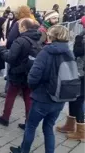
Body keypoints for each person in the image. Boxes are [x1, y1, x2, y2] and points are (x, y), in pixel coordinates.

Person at [10, 25, 73, 153]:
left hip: (43, 97)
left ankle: (24, 150)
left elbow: (33, 76)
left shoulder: (46, 52)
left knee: (31, 126)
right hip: (60, 97)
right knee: (48, 128)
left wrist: (34, 89)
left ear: (51, 36)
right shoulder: (69, 52)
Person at [0, 18, 41, 130]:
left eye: (19, 26)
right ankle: (28, 122)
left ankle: (5, 118)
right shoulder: (38, 39)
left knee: (10, 95)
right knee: (28, 98)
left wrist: (2, 48)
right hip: (29, 73)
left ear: (24, 27)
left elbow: (10, 58)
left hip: (17, 73)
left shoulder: (20, 40)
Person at [56, 25, 85, 141]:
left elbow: (78, 51)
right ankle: (70, 124)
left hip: (83, 73)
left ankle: (81, 131)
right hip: (80, 71)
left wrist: (78, 39)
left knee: (78, 100)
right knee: (74, 98)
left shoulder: (81, 36)